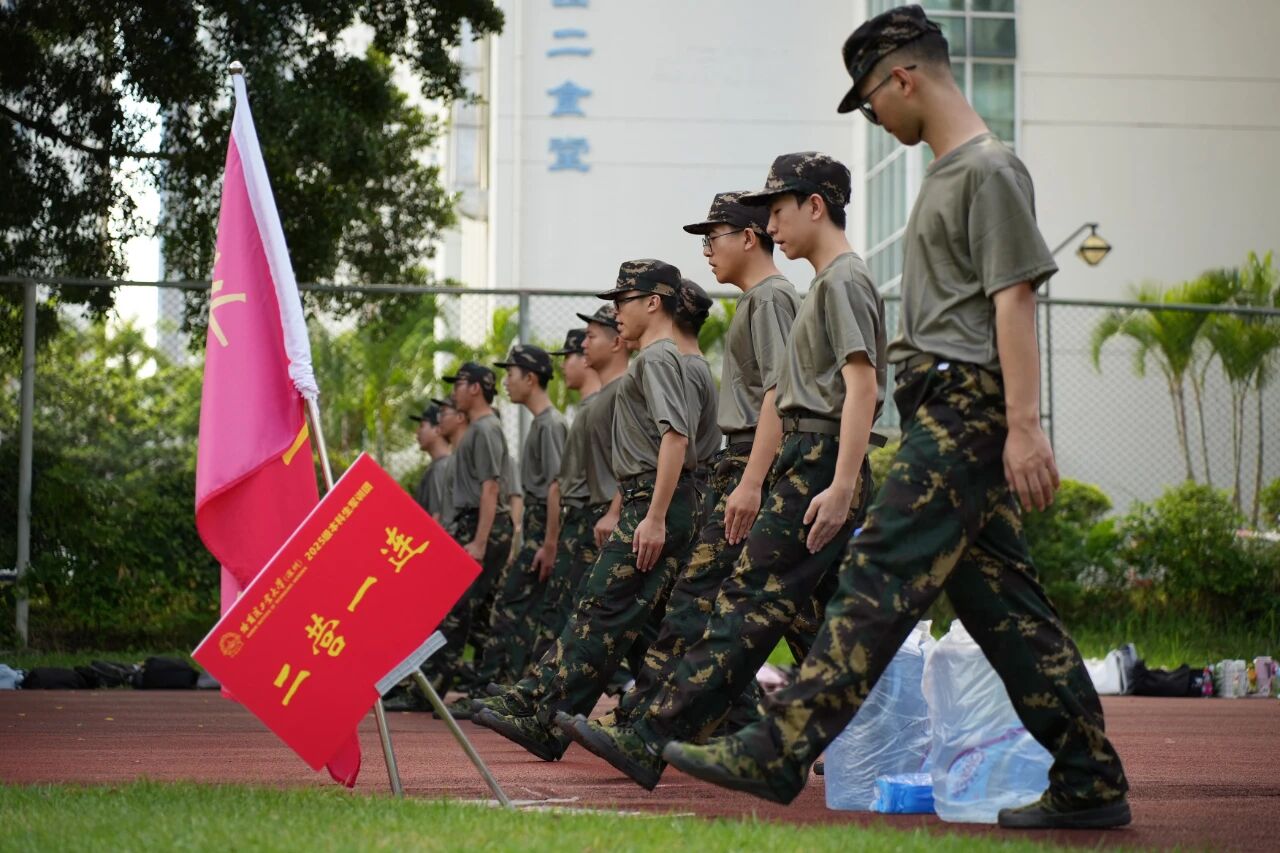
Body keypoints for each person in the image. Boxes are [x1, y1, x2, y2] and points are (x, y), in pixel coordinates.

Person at [662, 5, 1131, 831]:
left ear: (903, 77)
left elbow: (1013, 297)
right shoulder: (950, 174)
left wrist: (1023, 421)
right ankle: (1090, 775)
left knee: (876, 568)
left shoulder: (987, 168)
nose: (872, 115)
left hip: (964, 407)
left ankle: (781, 744)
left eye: (870, 97)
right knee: (1004, 608)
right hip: (948, 406)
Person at [568, 152, 887, 789]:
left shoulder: (833, 282)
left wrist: (839, 481)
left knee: (745, 605)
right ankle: (864, 740)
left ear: (814, 205)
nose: (770, 223)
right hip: (804, 455)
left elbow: (862, 387)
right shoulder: (818, 286)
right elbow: (789, 396)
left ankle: (656, 736)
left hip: (817, 457)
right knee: (827, 620)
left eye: (777, 208)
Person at [560, 192, 806, 786]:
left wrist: (750, 482)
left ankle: (648, 731)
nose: (707, 251)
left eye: (714, 236)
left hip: (756, 463)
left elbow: (778, 394)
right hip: (749, 464)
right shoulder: (760, 301)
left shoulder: (771, 298)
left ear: (748, 238)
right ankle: (668, 729)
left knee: (704, 605)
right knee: (782, 615)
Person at [472, 260, 700, 761]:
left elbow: (676, 438)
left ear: (652, 302)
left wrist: (654, 515)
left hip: (652, 502)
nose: (616, 311)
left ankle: (546, 716)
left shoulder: (658, 358)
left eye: (623, 301)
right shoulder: (657, 358)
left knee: (602, 612)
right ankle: (543, 712)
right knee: (625, 619)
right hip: (647, 500)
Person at [472, 345, 568, 690]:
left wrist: (550, 543)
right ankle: (508, 684)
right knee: (521, 610)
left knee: (510, 607)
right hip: (536, 525)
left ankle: (495, 685)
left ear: (530, 378)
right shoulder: (540, 424)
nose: (505, 382)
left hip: (544, 525)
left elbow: (556, 487)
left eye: (510, 374)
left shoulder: (550, 425)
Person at [422, 362, 514, 694]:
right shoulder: (476, 429)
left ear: (475, 388)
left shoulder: (487, 428)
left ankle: (435, 687)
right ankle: (489, 684)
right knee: (482, 610)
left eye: (459, 383)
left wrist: (479, 541)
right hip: (474, 522)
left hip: (483, 524)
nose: (454, 391)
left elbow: (492, 488)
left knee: (457, 606)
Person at [523, 329, 602, 663]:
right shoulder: (584, 408)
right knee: (568, 607)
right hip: (580, 516)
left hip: (589, 516)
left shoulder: (598, 405)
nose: (564, 366)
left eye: (568, 357)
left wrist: (551, 541)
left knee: (574, 608)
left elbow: (560, 482)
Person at [409, 403, 452, 526]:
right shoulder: (437, 466)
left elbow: (439, 517)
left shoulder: (441, 468)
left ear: (437, 429)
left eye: (422, 426)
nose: (417, 432)